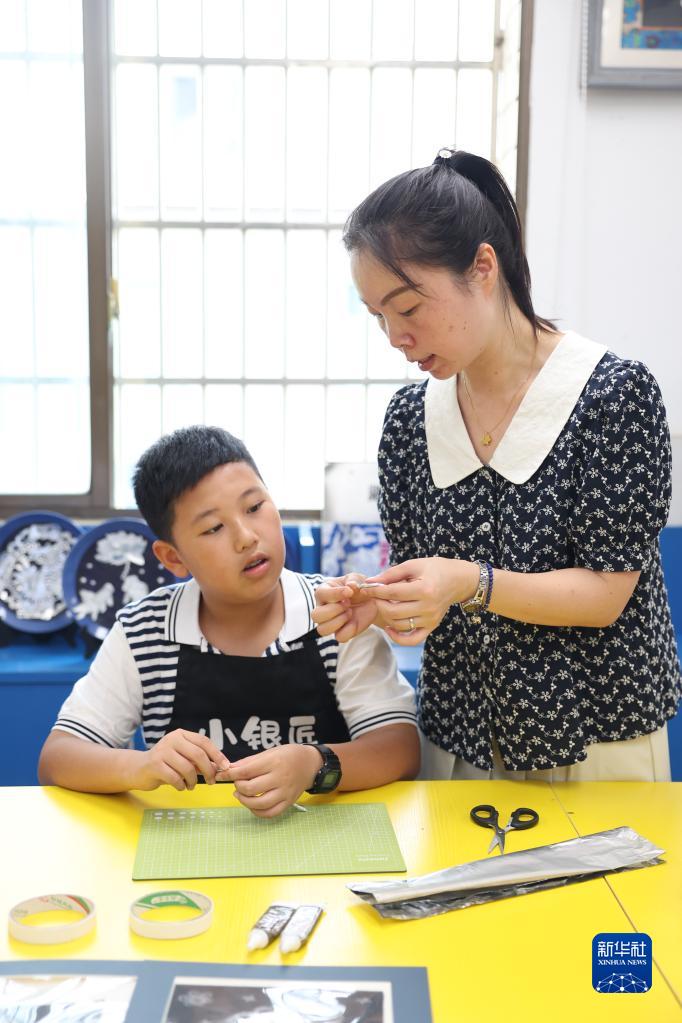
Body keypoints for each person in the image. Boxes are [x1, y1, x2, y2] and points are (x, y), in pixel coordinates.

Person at [312, 147, 681, 783]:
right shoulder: (409, 420)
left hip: (598, 743)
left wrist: (468, 581)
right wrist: (382, 605)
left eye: (408, 308)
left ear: (483, 267)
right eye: (378, 317)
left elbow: (606, 595)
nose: (395, 337)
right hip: (459, 747)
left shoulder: (611, 395)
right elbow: (425, 595)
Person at [38, 426, 419, 815]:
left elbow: (399, 748)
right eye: (213, 528)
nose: (246, 537)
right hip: (188, 842)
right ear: (173, 558)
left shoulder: (336, 613)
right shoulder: (143, 632)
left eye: (254, 507)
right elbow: (58, 758)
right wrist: (143, 765)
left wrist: (315, 764)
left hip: (325, 841)